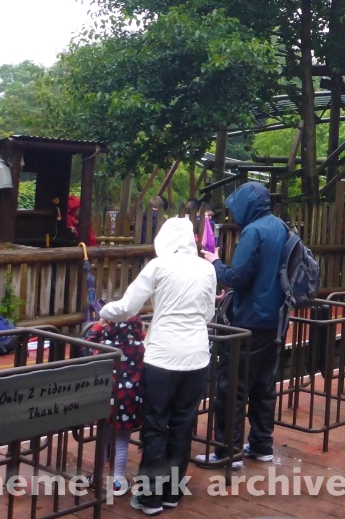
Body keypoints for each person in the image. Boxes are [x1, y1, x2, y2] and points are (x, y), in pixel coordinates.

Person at [100, 217, 216, 515]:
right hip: (197, 356)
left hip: (162, 357)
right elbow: (208, 314)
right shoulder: (207, 268)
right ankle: (172, 493)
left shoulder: (158, 266)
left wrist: (104, 311)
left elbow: (128, 307)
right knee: (182, 424)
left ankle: (150, 497)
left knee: (156, 424)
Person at [195, 182, 286, 468]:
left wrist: (216, 262)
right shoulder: (281, 227)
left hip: (248, 321)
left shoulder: (253, 232)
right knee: (263, 385)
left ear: (248, 205)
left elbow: (239, 277)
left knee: (232, 385)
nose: (234, 215)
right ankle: (261, 444)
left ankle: (228, 451)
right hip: (275, 320)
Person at [85, 314, 146, 494]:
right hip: (129, 401)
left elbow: (89, 347)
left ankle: (97, 476)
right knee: (122, 440)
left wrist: (97, 328)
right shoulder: (140, 347)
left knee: (103, 439)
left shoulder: (105, 347)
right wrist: (141, 333)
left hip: (107, 400)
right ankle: (118, 480)